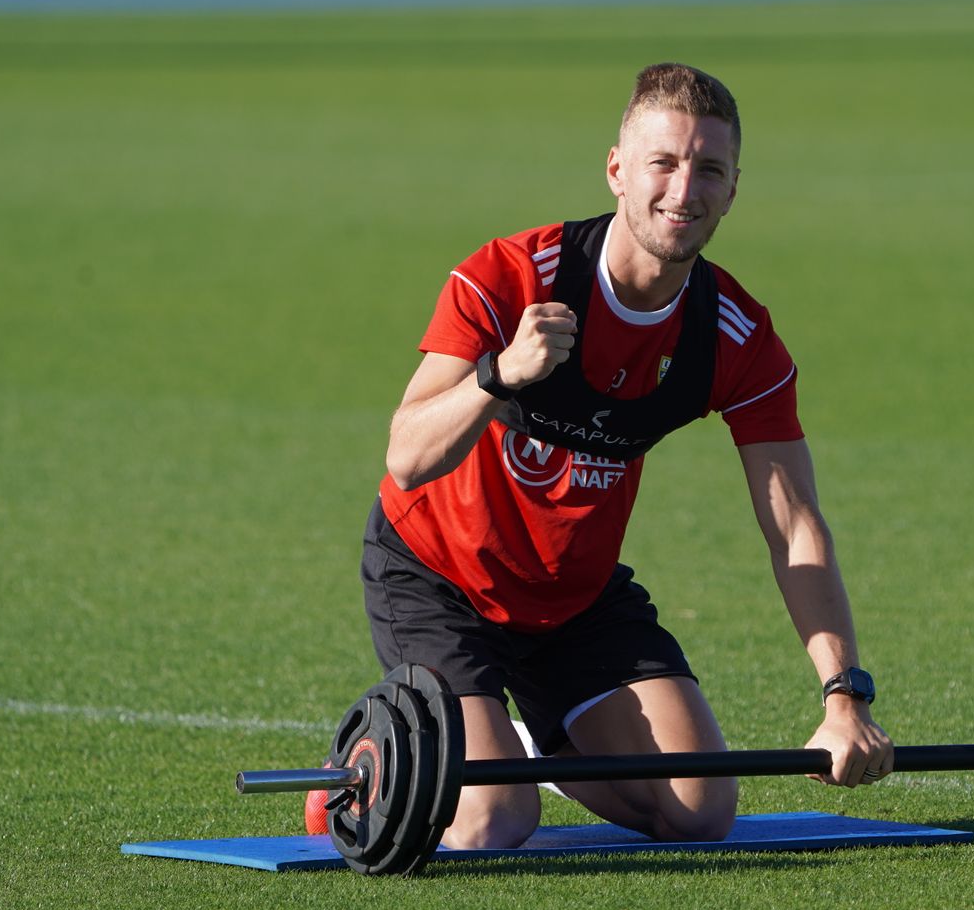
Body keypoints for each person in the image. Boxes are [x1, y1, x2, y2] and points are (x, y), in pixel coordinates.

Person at [363, 62, 893, 850]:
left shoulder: (734, 336)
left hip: (574, 597)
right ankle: (377, 778)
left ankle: (532, 744)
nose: (685, 190)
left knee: (701, 812)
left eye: (709, 169)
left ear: (734, 188)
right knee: (490, 819)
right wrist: (499, 375)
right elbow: (406, 456)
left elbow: (795, 526)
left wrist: (843, 695)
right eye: (664, 163)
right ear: (616, 169)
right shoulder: (513, 277)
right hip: (439, 577)